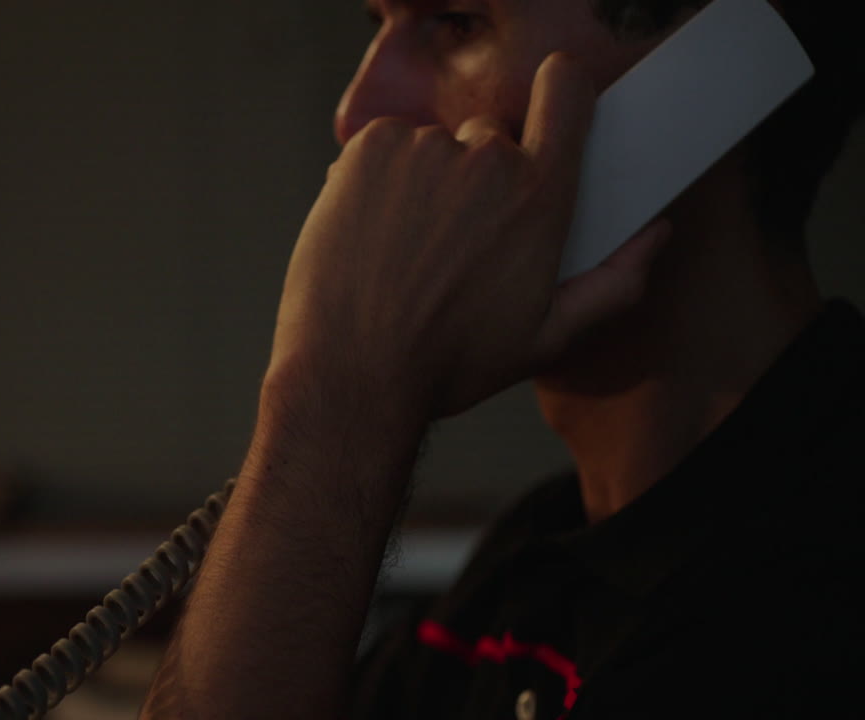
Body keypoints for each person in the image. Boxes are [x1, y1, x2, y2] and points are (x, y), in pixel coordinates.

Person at [138, 0, 864, 718]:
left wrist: (340, 403)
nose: (357, 114)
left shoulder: (813, 597)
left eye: (456, 22)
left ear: (720, 75)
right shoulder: (518, 581)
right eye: (377, 24)